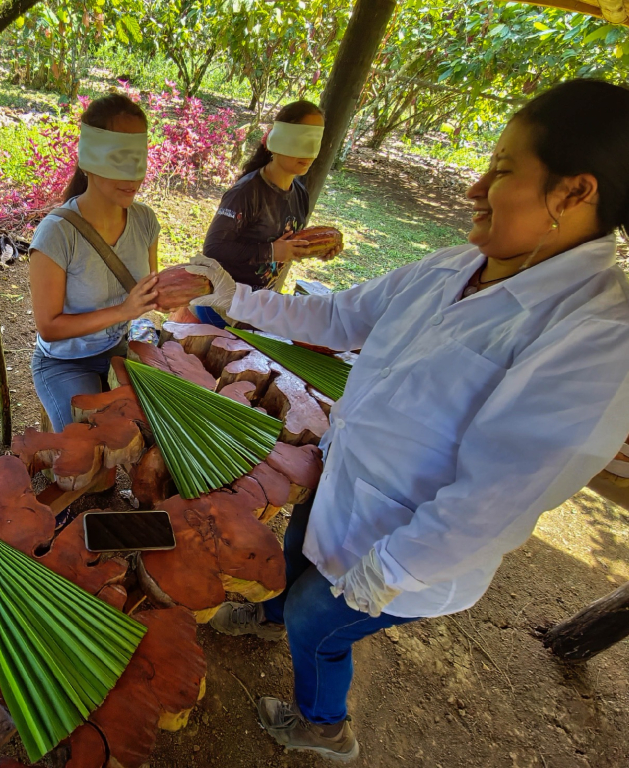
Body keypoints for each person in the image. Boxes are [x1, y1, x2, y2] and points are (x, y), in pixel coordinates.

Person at [187, 79, 629, 762]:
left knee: (318, 622)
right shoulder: (459, 266)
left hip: (407, 548)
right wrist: (237, 300)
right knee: (295, 561)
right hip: (344, 481)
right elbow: (337, 318)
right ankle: (272, 615)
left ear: (574, 194)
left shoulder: (594, 338)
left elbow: (496, 496)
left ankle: (323, 724)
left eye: (505, 171)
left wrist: (390, 568)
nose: (475, 188)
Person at [29, 94, 160, 431]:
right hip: (65, 362)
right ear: (88, 159)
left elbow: (150, 288)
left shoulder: (145, 220)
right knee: (89, 446)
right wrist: (123, 312)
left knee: (161, 429)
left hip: (118, 348)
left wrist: (194, 286)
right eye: (118, 158)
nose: (132, 176)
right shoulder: (56, 234)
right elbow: (49, 327)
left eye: (138, 159)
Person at [195, 101, 341, 327]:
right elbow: (213, 248)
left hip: (256, 307)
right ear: (277, 140)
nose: (308, 152)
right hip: (221, 308)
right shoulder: (246, 193)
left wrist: (317, 248)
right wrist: (271, 251)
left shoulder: (299, 194)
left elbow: (284, 244)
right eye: (301, 139)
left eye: (315, 141)